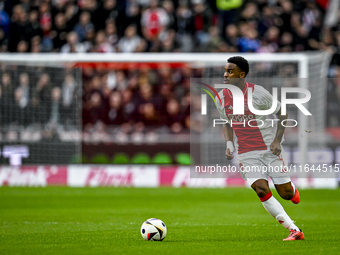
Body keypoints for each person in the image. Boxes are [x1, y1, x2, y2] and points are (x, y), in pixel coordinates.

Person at [215, 56, 304, 241]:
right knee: (261, 190)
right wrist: (229, 144)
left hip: (270, 149)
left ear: (242, 74)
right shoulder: (221, 97)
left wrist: (277, 141)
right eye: (225, 70)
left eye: (230, 71)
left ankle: (292, 189)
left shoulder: (258, 93)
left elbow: (282, 112)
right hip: (247, 153)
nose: (225, 74)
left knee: (285, 194)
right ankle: (294, 230)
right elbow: (225, 122)